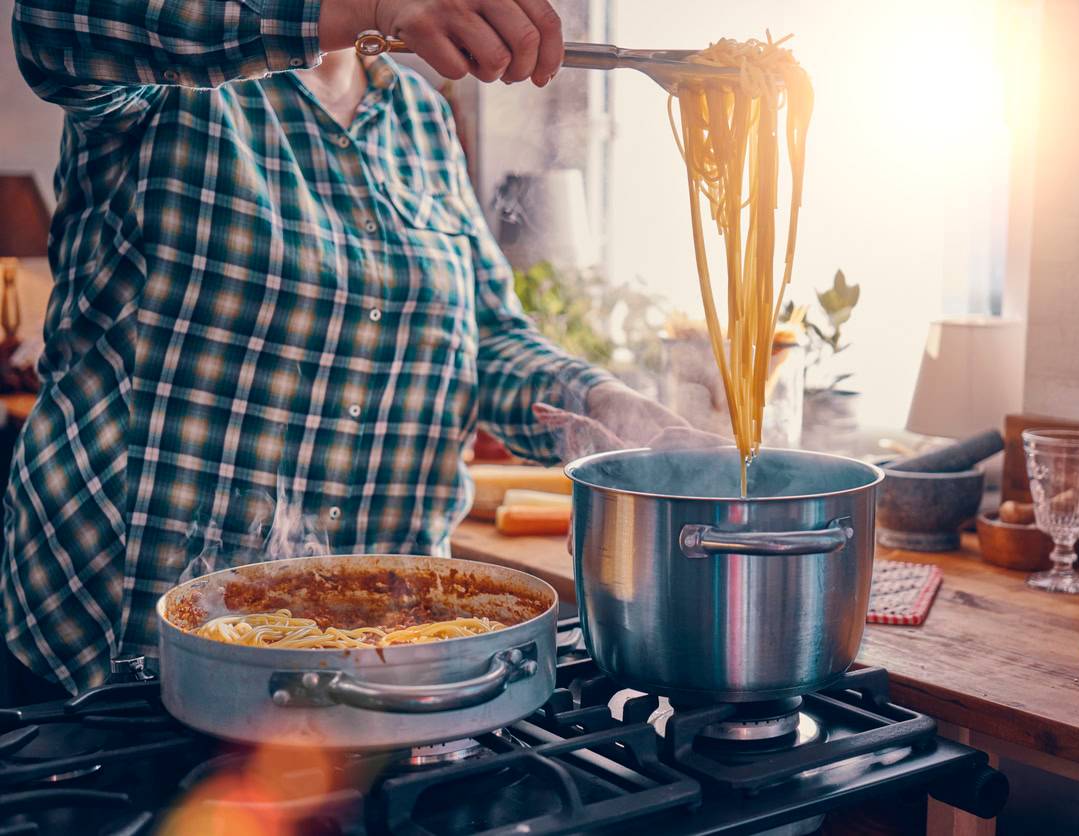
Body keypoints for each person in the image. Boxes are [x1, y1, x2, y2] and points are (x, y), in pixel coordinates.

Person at [3, 0, 691, 699]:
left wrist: (605, 405)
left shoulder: (419, 115)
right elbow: (52, 24)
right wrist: (372, 8)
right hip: (125, 638)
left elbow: (486, 340)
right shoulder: (177, 78)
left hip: (385, 659)